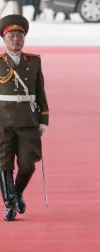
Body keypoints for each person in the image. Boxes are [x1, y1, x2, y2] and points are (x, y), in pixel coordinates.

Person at [0, 14, 49, 221]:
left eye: (19, 36)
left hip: (28, 119)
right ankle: (10, 203)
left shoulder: (34, 61)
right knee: (4, 163)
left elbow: (40, 91)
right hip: (2, 119)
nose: (15, 40)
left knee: (28, 163)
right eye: (11, 36)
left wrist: (44, 118)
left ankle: (17, 191)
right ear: (4, 39)